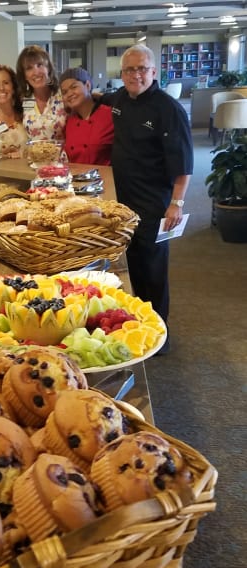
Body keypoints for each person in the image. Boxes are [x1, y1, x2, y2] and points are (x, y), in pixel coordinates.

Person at [101, 44, 193, 353]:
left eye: (142, 69)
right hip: (124, 201)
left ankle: (161, 335)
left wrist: (176, 204)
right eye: (129, 69)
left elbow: (184, 163)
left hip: (155, 204)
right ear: (122, 73)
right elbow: (94, 100)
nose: (136, 75)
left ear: (153, 72)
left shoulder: (169, 109)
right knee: (132, 267)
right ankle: (139, 326)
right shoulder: (119, 101)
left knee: (154, 270)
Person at [59, 67, 114, 165]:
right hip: (76, 178)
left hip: (104, 178)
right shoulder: (69, 121)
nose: (70, 94)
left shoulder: (109, 115)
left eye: (74, 87)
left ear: (88, 85)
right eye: (64, 92)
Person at [16, 45, 67, 141]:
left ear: (48, 68)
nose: (36, 72)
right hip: (32, 155)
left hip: (61, 155)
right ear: (25, 76)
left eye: (39, 65)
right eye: (29, 68)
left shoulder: (63, 96)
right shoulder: (24, 100)